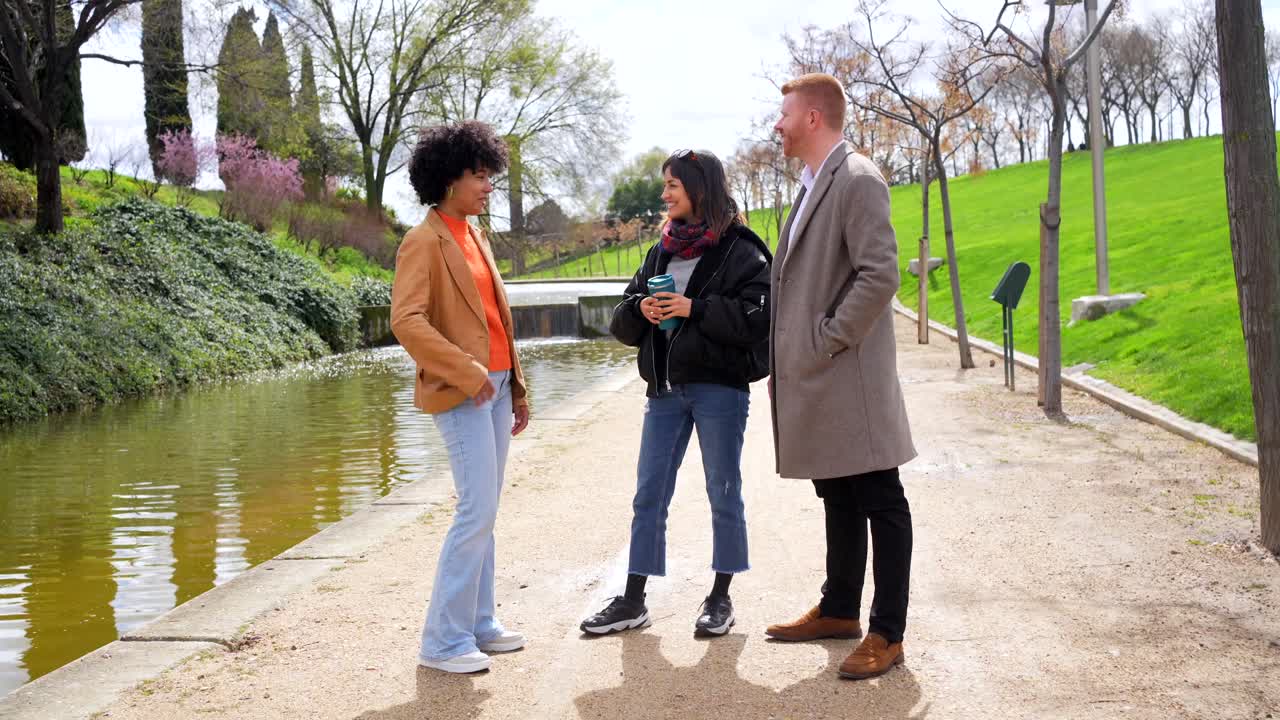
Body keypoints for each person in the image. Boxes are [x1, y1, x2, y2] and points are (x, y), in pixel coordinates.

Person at [762, 73, 917, 681]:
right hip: (821, 373)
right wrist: (790, 360)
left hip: (847, 372)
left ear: (813, 118)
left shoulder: (856, 179)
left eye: (785, 115)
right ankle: (839, 608)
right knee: (838, 489)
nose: (777, 125)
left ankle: (887, 632)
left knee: (881, 494)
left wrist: (823, 340)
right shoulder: (812, 183)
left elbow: (880, 274)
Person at [579, 149, 772, 638]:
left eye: (672, 186)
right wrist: (641, 309)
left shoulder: (743, 249)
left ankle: (720, 598)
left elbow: (760, 318)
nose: (663, 194)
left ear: (699, 190)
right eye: (664, 185)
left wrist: (693, 307)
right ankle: (633, 599)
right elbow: (622, 317)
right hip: (664, 390)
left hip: (719, 391)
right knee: (649, 496)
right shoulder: (660, 249)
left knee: (723, 492)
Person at [390, 120, 531, 674]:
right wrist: (470, 372)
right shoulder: (422, 241)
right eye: (480, 176)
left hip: (496, 390)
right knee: (475, 510)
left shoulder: (475, 235)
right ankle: (442, 641)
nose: (488, 186)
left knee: (485, 510)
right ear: (450, 179)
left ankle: (479, 623)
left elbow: (498, 320)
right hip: (462, 391)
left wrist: (516, 388)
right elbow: (407, 322)